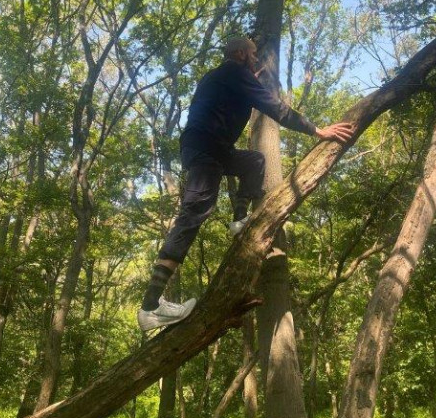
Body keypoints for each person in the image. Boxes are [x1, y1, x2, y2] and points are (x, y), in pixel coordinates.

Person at [137, 37, 354, 330]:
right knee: (194, 212)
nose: (256, 61)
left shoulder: (219, 76)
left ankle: (239, 220)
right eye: (252, 55)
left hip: (210, 147)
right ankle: (150, 306)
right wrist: (318, 131)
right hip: (206, 149)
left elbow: (221, 103)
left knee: (253, 162)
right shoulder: (233, 72)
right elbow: (276, 108)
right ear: (239, 54)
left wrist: (247, 81)